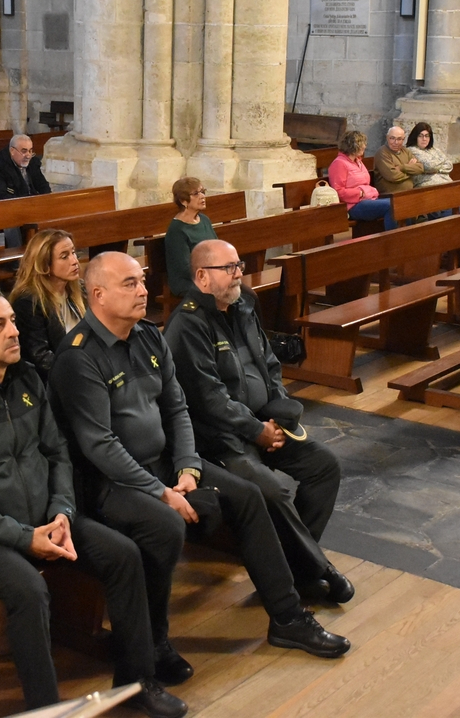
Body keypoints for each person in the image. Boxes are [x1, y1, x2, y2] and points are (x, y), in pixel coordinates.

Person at [50, 252, 350, 688]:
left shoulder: (148, 337)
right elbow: (99, 445)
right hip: (110, 480)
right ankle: (155, 646)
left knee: (248, 495)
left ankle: (287, 617)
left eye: (142, 281)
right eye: (130, 284)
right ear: (97, 295)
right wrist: (160, 491)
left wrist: (189, 466)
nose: (143, 291)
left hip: (167, 463)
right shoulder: (78, 357)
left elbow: (177, 408)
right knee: (164, 525)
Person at [0, 289, 187, 718]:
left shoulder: (27, 379)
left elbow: (57, 451)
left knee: (124, 555)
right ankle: (46, 710)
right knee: (29, 589)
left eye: (12, 320)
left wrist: (62, 511)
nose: (13, 331)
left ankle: (137, 681)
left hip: (45, 518)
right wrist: (25, 538)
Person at [164, 239, 352, 603]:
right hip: (221, 438)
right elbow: (208, 398)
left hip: (266, 423)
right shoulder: (187, 324)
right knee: (271, 491)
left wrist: (278, 414)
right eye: (229, 268)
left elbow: (268, 363)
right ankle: (317, 569)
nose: (239, 274)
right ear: (202, 276)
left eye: (238, 266)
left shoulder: (244, 302)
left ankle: (295, 568)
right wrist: (256, 430)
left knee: (324, 466)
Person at [9, 228, 85, 381]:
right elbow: (40, 358)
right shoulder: (28, 302)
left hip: (84, 369)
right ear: (44, 264)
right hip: (56, 381)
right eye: (64, 257)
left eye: (74, 253)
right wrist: (83, 374)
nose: (74, 261)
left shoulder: (80, 290)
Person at [405, 122, 460, 219]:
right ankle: (449, 232)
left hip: (448, 186)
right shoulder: (411, 150)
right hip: (429, 189)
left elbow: (449, 165)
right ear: (415, 137)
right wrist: (438, 166)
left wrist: (434, 169)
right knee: (447, 207)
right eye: (421, 136)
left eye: (427, 136)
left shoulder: (435, 150)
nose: (424, 139)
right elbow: (430, 166)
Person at [327, 131, 396, 233]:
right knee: (391, 206)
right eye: (362, 143)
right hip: (353, 206)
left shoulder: (358, 161)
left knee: (399, 202)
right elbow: (338, 191)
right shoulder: (339, 164)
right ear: (352, 146)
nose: (365, 146)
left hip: (368, 199)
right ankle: (393, 240)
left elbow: (364, 183)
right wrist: (360, 193)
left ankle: (407, 238)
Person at [165, 176, 218, 300]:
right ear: (183, 201)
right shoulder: (177, 230)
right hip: (188, 282)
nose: (202, 196)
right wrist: (212, 276)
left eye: (203, 192)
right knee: (221, 294)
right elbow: (184, 268)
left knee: (245, 293)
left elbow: (217, 247)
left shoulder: (204, 220)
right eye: (196, 194)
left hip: (209, 275)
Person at [0, 134, 51, 202]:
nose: (28, 156)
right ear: (12, 151)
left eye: (30, 151)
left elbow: (43, 186)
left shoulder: (32, 162)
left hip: (29, 204)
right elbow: (0, 196)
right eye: (24, 151)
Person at [372, 125, 423, 195]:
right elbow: (393, 176)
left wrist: (402, 167)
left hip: (408, 193)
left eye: (399, 139)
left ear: (403, 139)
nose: (395, 142)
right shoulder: (382, 152)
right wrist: (411, 171)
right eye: (392, 138)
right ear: (387, 138)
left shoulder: (405, 151)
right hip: (390, 195)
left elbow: (420, 168)